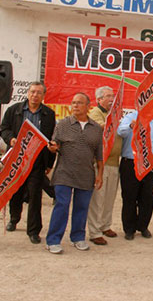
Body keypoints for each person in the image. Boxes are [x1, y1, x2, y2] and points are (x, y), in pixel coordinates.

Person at [45, 93, 103, 254]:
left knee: (82, 207)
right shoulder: (63, 124)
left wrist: (99, 175)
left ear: (88, 106)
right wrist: (53, 147)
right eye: (73, 103)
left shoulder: (96, 129)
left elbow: (99, 154)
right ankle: (53, 240)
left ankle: (78, 237)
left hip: (86, 174)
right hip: (64, 173)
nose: (75, 105)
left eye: (79, 103)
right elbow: (54, 143)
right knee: (62, 206)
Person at [0, 81, 56, 244]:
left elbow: (51, 139)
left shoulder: (48, 114)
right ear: (27, 93)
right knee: (15, 193)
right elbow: (3, 128)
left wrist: (49, 163)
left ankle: (33, 230)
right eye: (32, 92)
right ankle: (14, 218)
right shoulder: (14, 110)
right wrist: (11, 139)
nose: (35, 95)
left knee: (35, 196)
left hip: (36, 161)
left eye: (39, 93)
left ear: (43, 95)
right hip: (17, 160)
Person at [86, 86, 123, 246]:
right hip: (100, 164)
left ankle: (105, 225)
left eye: (113, 96)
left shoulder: (112, 114)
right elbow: (103, 127)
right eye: (108, 96)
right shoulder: (96, 113)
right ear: (99, 99)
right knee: (97, 200)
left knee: (109, 198)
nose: (111, 99)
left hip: (115, 163)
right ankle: (94, 231)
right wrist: (118, 119)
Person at [117, 111, 153, 240]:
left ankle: (143, 226)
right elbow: (120, 132)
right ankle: (129, 229)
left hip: (149, 164)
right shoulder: (130, 117)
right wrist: (130, 126)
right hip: (131, 162)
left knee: (147, 196)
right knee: (130, 196)